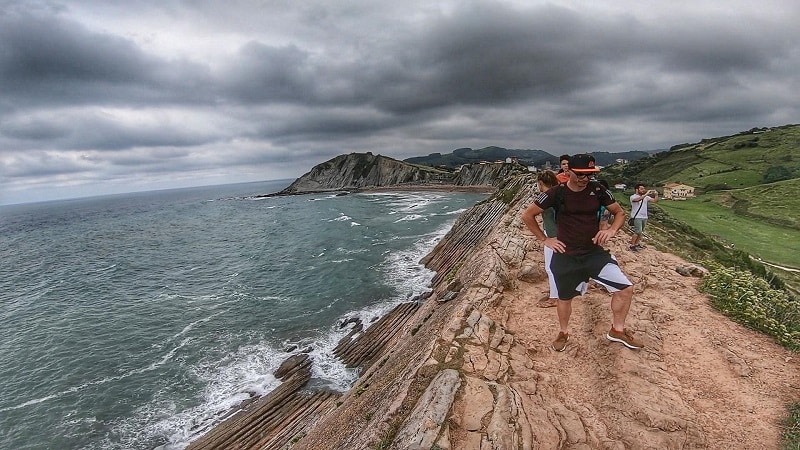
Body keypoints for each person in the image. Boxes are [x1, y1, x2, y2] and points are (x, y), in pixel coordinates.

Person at [521, 154, 643, 352]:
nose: (585, 178)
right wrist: (545, 240)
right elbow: (528, 215)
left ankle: (617, 330)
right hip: (566, 255)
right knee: (564, 298)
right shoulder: (556, 192)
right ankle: (563, 332)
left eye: (589, 174)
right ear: (568, 171)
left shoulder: (598, 189)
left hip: (593, 252)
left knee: (625, 289)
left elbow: (619, 212)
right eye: (581, 174)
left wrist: (611, 230)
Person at [535, 170, 560, 308]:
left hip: (552, 236)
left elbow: (528, 215)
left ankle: (554, 298)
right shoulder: (559, 194)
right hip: (562, 234)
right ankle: (557, 292)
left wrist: (544, 238)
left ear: (540, 183)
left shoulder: (546, 197)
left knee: (551, 267)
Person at [629, 183, 658, 251]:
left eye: (643, 189)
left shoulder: (646, 197)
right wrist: (646, 194)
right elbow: (637, 200)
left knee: (640, 232)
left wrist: (656, 195)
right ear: (637, 189)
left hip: (644, 217)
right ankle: (632, 245)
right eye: (641, 189)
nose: (643, 190)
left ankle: (636, 244)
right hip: (637, 216)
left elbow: (654, 201)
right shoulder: (633, 196)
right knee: (637, 231)